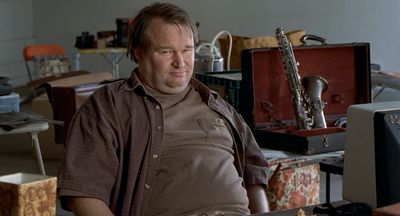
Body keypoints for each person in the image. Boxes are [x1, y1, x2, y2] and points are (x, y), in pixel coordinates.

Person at [57, 2, 270, 215]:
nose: (180, 62)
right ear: (138, 53)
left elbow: (254, 172)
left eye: (187, 50)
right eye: (166, 51)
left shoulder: (218, 105)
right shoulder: (108, 106)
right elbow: (82, 192)